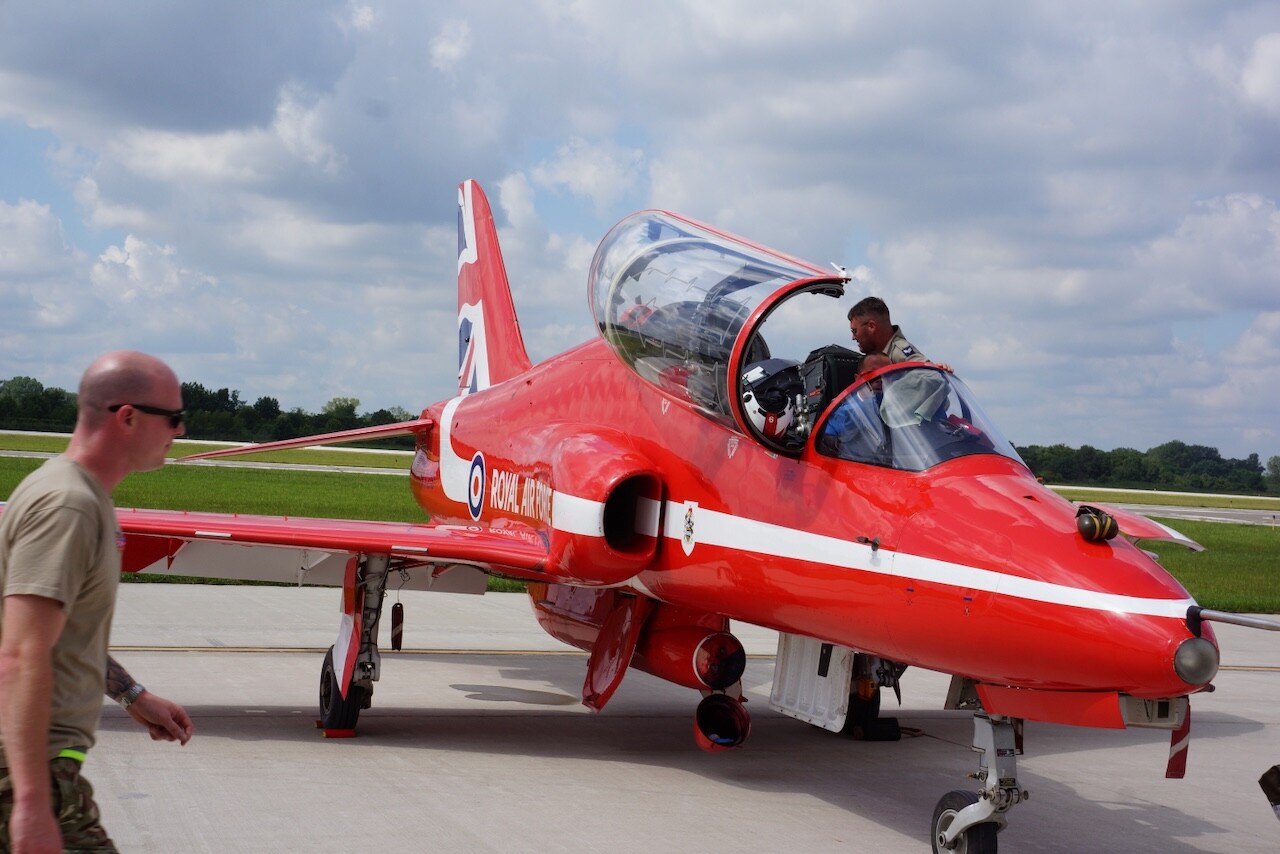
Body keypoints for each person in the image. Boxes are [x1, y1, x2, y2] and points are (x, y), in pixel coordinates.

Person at [0, 351, 195, 853]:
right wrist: (29, 803)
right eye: (173, 417)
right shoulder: (69, 505)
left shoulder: (82, 498)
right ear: (127, 417)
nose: (180, 430)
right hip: (28, 769)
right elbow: (20, 654)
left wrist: (133, 696)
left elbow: (59, 634)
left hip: (40, 766)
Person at [847, 296, 927, 363]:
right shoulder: (882, 356)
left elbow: (928, 374)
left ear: (871, 327)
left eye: (854, 331)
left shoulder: (900, 355)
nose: (853, 337)